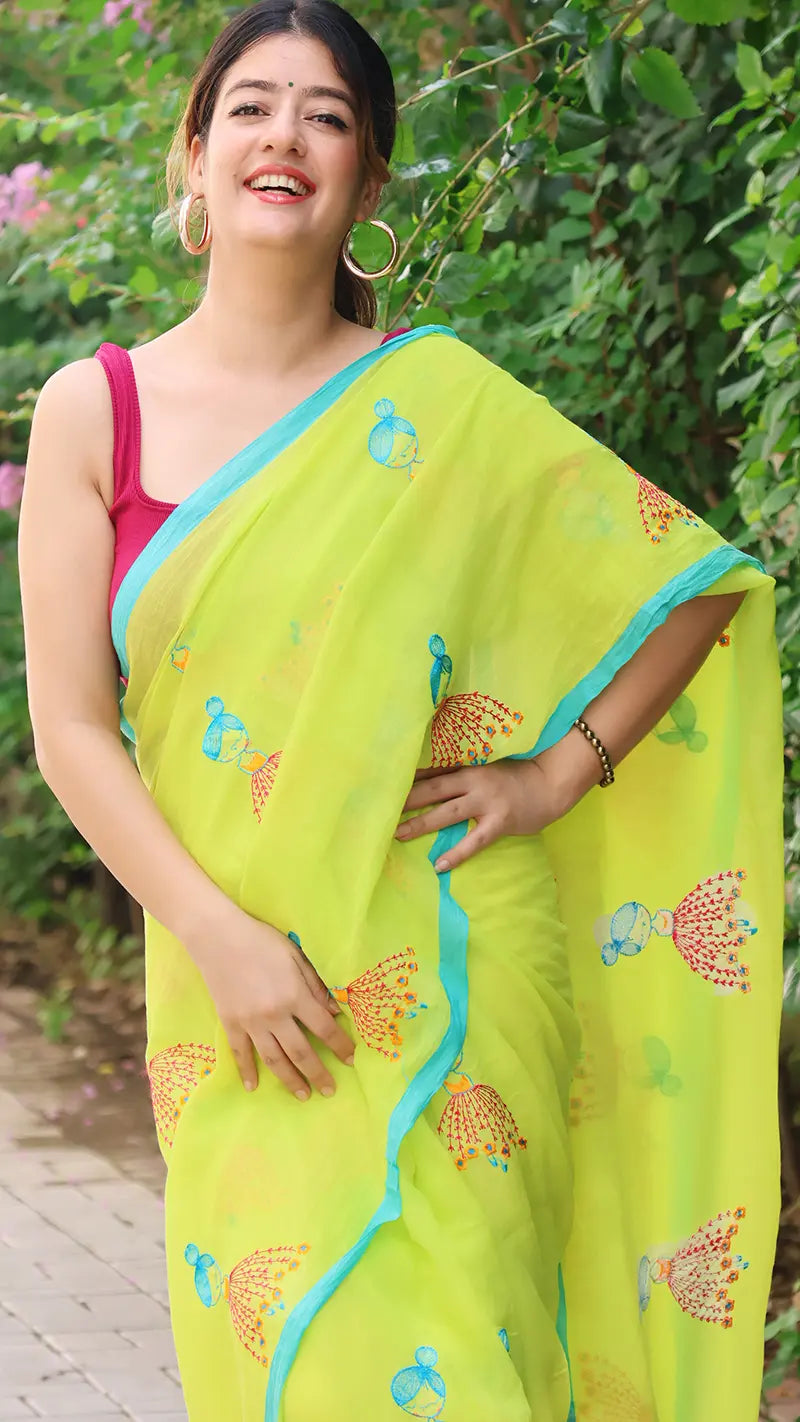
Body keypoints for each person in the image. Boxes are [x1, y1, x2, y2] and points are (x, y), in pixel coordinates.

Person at [17, 2, 784, 1419]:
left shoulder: (436, 407)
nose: (284, 136)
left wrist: (559, 772)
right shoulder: (95, 410)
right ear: (194, 153)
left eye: (327, 116)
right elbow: (71, 729)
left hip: (455, 968)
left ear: (367, 180)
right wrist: (223, 939)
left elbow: (696, 586)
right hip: (233, 992)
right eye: (251, 106)